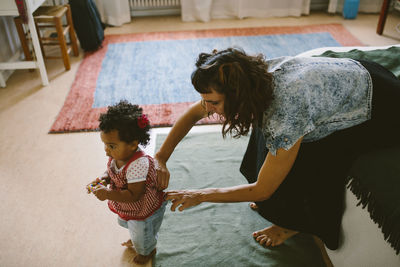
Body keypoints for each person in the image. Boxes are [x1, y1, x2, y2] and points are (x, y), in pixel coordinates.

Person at [155, 47, 400, 249]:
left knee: (308, 153)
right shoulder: (251, 79)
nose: (208, 108)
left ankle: (291, 223)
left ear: (237, 94)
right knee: (270, 134)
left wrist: (200, 195)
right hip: (362, 74)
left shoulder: (285, 111)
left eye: (214, 103)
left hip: (384, 106)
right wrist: (161, 157)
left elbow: (262, 190)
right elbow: (195, 112)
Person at [88, 100, 166, 264]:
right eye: (105, 144)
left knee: (142, 230)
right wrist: (104, 178)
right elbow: (111, 171)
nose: (106, 150)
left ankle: (147, 250)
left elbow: (133, 195)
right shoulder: (117, 155)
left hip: (142, 208)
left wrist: (108, 193)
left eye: (111, 145)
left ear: (132, 144)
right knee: (134, 228)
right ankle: (141, 239)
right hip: (129, 207)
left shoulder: (138, 164)